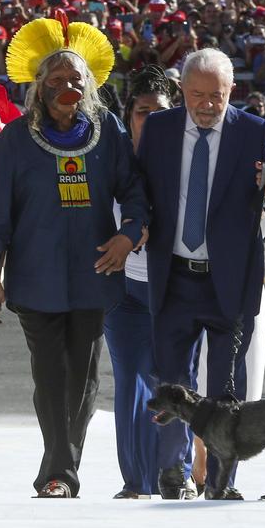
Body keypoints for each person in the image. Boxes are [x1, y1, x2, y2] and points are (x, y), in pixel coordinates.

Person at [0, 18, 148, 499]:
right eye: (56, 80)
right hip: (36, 278)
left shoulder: (108, 130)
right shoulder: (14, 140)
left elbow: (134, 193)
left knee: (84, 381)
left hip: (94, 275)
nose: (67, 88)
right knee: (50, 376)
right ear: (39, 87)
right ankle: (62, 472)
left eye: (75, 80)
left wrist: (128, 236)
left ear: (89, 86)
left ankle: (59, 469)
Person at [137, 48, 265, 500]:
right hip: (174, 277)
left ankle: (222, 481)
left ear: (232, 92)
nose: (206, 104)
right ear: (182, 90)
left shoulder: (256, 131)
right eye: (197, 94)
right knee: (171, 380)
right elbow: (140, 189)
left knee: (226, 388)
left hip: (229, 280)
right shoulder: (161, 129)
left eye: (217, 96)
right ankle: (175, 472)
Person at [104, 65, 177, 499]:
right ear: (129, 115)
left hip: (173, 289)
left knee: (169, 383)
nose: (150, 119)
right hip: (122, 290)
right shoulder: (110, 161)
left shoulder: (188, 163)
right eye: (142, 111)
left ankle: (172, 474)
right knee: (130, 381)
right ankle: (135, 481)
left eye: (160, 112)